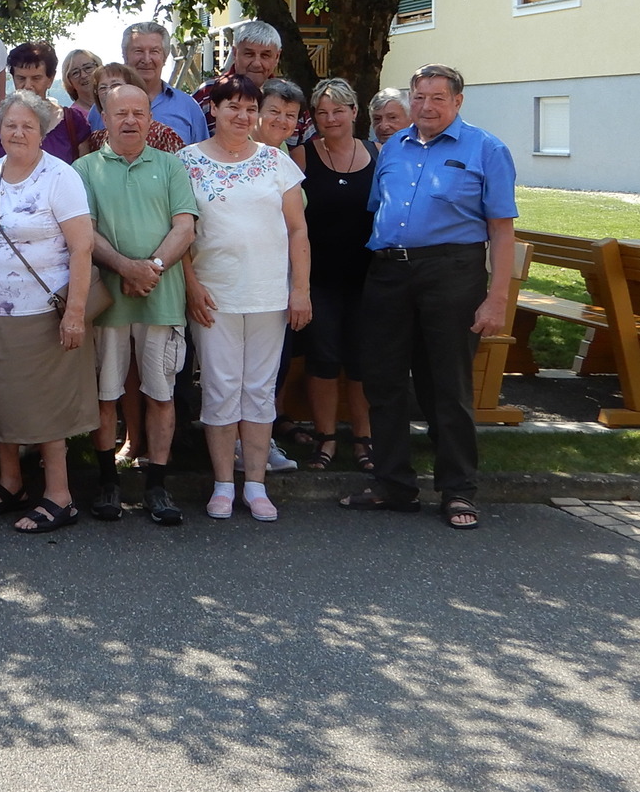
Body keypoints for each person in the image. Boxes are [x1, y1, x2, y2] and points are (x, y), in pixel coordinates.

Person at [341, 65, 517, 532]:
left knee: (447, 385)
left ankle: (458, 490)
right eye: (419, 97)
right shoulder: (392, 147)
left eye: (438, 98)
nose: (427, 106)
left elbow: (501, 231)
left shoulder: (487, 149)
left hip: (452, 272)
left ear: (458, 102)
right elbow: (379, 209)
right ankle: (393, 485)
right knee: (384, 381)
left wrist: (496, 298)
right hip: (389, 272)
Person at [0, 91, 96, 534]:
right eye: (10, 124)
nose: (17, 132)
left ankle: (59, 496)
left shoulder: (61, 177)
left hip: (41, 312)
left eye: (26, 125)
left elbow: (82, 247)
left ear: (42, 129)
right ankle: (10, 484)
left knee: (45, 404)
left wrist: (74, 313)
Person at [180, 73, 311, 521]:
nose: (242, 115)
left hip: (269, 297)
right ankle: (222, 484)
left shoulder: (277, 163)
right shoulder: (187, 162)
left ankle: (255, 484)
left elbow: (297, 230)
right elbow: (179, 233)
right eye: (232, 106)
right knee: (219, 390)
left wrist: (300, 290)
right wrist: (192, 287)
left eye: (250, 108)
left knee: (257, 391)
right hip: (214, 298)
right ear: (213, 109)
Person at [76, 81, 198, 525]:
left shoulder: (171, 166)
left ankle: (157, 487)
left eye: (138, 113)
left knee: (161, 394)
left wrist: (152, 267)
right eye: (120, 113)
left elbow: (185, 227)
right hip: (108, 302)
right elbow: (84, 233)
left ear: (150, 119)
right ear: (104, 119)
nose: (129, 120)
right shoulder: (85, 168)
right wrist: (127, 268)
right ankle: (108, 483)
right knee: (105, 396)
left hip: (161, 298)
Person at [292, 78, 379, 474]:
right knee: (323, 359)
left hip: (368, 280)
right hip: (319, 280)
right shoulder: (303, 156)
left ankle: (364, 438)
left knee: (363, 361)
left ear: (355, 113)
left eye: (339, 111)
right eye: (323, 112)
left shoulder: (378, 154)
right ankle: (325, 438)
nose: (331, 119)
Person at [199, 22, 316, 147]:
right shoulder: (208, 94)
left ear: (277, 57)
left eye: (265, 55)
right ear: (235, 52)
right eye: (249, 54)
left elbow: (309, 152)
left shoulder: (290, 98)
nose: (256, 63)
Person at [10, 40, 93, 160]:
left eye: (36, 78)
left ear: (50, 79)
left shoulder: (73, 122)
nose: (28, 85)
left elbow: (83, 172)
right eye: (21, 78)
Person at [87, 64, 184, 153]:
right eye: (102, 88)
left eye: (116, 85)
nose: (108, 91)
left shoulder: (163, 135)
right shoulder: (97, 139)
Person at [59, 49, 103, 130]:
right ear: (69, 81)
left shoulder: (114, 105)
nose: (83, 75)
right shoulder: (71, 118)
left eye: (88, 68)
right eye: (75, 73)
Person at [258, 78, 306, 149]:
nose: (282, 120)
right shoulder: (240, 146)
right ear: (256, 110)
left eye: (290, 115)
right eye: (274, 111)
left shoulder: (282, 147)